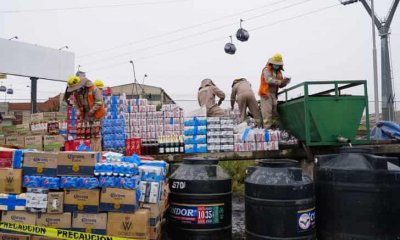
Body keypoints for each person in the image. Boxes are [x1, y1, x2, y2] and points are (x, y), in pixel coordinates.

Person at [258, 53, 290, 128]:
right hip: (266, 93)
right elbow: (268, 80)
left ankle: (275, 130)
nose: (277, 66)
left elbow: (280, 85)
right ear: (272, 63)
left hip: (274, 94)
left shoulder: (279, 72)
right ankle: (267, 130)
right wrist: (279, 82)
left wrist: (285, 82)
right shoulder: (266, 69)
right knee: (267, 112)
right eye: (276, 64)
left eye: (278, 64)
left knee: (274, 113)